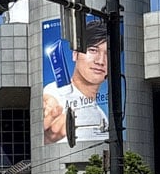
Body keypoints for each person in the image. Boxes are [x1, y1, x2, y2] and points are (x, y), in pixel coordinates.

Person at [42, 19, 111, 149]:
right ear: (75, 54)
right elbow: (49, 101)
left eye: (108, 54)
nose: (101, 61)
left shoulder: (102, 116)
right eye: (93, 50)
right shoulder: (55, 92)